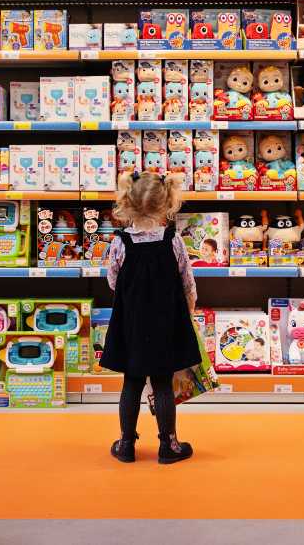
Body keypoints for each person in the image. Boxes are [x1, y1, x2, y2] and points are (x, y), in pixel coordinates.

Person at [100, 171, 200, 464]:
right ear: (166, 203)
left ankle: (126, 444)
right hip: (166, 321)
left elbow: (113, 281)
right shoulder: (173, 240)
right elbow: (188, 282)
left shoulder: (119, 242)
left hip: (131, 322)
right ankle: (169, 445)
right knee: (162, 383)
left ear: (127, 202)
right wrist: (190, 310)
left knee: (131, 382)